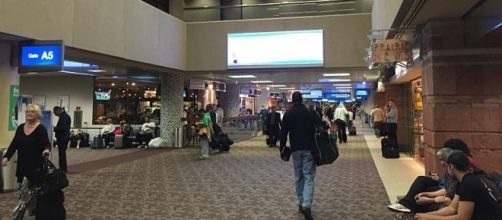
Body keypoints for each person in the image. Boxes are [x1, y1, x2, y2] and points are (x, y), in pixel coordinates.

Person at [388, 139, 477, 214]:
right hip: (449, 194)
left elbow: (453, 204)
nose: (442, 163)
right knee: (423, 183)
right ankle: (408, 205)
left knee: (426, 190)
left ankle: (409, 206)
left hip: (452, 198)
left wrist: (430, 201)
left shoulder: (465, 177)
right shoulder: (457, 167)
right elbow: (448, 187)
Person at [415, 150, 499, 220]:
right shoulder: (464, 181)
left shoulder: (469, 184)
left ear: (451, 167)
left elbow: (462, 218)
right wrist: (427, 215)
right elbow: (452, 208)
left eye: (447, 167)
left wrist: (431, 217)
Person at [2, 104, 51, 219]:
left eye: (32, 112)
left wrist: (46, 150)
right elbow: (14, 144)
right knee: (30, 193)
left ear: (37, 114)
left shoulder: (41, 129)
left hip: (35, 167)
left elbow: (46, 143)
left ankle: (16, 216)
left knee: (24, 194)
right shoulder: (20, 127)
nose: (29, 114)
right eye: (28, 112)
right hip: (22, 165)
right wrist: (6, 157)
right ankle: (36, 212)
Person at [280, 92, 322, 220]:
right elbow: (320, 124)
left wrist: (282, 148)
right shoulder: (310, 111)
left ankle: (300, 202)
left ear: (292, 101)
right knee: (309, 176)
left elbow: (283, 133)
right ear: (302, 100)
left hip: (295, 149)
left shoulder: (288, 113)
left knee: (298, 175)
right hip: (309, 148)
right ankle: (306, 205)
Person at [53, 106, 71, 172]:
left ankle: (63, 169)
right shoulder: (65, 116)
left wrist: (54, 128)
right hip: (64, 137)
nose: (56, 115)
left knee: (62, 154)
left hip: (62, 137)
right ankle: (62, 168)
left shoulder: (64, 117)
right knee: (62, 153)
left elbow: (63, 128)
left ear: (58, 110)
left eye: (55, 113)